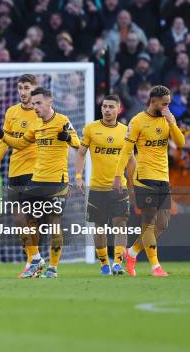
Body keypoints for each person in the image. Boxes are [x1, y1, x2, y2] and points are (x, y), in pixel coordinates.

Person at [0, 87, 80, 278]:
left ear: (49, 102)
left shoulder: (63, 121)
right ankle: (36, 258)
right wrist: (2, 136)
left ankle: (53, 269)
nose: (34, 106)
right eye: (33, 103)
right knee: (27, 220)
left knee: (54, 224)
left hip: (57, 180)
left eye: (38, 103)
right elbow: (21, 144)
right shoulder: (36, 124)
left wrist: (67, 137)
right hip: (37, 179)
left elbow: (78, 144)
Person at [0, 74, 42, 277]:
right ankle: (34, 258)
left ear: (34, 89)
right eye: (20, 87)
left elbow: (24, 142)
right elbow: (5, 143)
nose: (22, 91)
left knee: (30, 217)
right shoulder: (12, 112)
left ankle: (33, 261)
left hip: (36, 170)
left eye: (26, 87)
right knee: (19, 218)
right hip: (15, 170)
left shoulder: (41, 114)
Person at [114, 86, 185, 277]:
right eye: (164, 103)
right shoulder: (137, 121)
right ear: (153, 101)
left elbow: (180, 144)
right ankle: (155, 266)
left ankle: (132, 252)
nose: (167, 107)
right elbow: (126, 150)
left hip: (163, 177)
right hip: (144, 178)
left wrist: (172, 124)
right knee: (148, 222)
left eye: (169, 103)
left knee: (162, 224)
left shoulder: (167, 119)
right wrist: (117, 175)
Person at [75, 95, 136, 276]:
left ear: (118, 109)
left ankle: (117, 263)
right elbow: (81, 153)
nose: (107, 110)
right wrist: (78, 176)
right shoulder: (91, 129)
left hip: (119, 187)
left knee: (120, 224)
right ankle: (103, 263)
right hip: (97, 187)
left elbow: (131, 160)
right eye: (104, 106)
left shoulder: (126, 131)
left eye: (111, 107)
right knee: (99, 227)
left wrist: (131, 183)